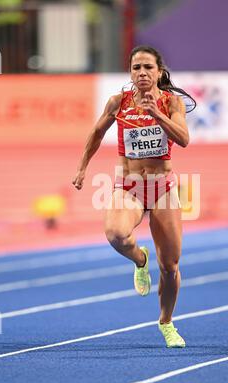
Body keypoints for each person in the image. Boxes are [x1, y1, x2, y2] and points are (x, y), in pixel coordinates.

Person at [72, 45, 196, 348]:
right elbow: (97, 133)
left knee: (170, 266)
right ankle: (140, 260)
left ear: (159, 72)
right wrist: (82, 168)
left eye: (148, 68)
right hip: (129, 186)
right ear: (130, 72)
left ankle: (166, 322)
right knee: (115, 234)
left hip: (163, 188)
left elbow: (183, 140)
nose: (141, 73)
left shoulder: (171, 102)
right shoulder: (119, 102)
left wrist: (156, 113)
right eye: (136, 67)